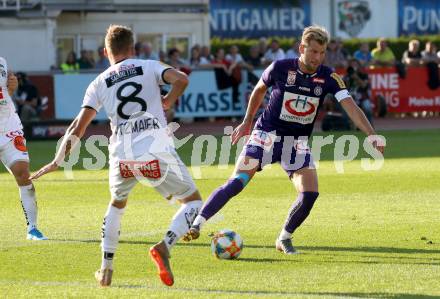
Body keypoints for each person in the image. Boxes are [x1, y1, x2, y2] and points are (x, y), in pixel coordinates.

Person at [184, 25, 384, 254]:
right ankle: (198, 223)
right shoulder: (280, 68)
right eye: (314, 51)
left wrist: (371, 134)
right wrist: (248, 120)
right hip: (265, 136)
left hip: (296, 143)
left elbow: (351, 107)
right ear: (302, 48)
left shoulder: (329, 76)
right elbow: (259, 90)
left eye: (322, 52)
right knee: (238, 181)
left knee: (310, 194)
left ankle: (284, 238)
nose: (318, 57)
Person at [30, 25, 203, 287]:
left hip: (122, 155)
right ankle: (165, 246)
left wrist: (58, 160)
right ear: (133, 48)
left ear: (105, 52)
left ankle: (106, 269)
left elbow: (78, 126)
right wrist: (168, 100)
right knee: (192, 202)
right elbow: (182, 79)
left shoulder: (98, 82)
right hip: (155, 150)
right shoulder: (149, 65)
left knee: (116, 204)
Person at [0, 57, 47, 241]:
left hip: (9, 126)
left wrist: (12, 88)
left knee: (23, 173)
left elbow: (6, 92)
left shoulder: (2, 62)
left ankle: (33, 228)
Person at [343, 59, 373, 124]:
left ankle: (370, 125)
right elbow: (343, 88)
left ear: (359, 66)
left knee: (367, 107)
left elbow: (364, 85)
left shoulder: (364, 75)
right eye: (352, 64)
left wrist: (356, 77)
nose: (354, 66)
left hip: (362, 96)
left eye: (355, 64)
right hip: (350, 97)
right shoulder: (347, 76)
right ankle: (347, 126)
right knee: (344, 108)